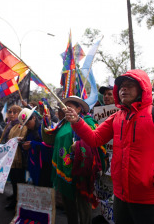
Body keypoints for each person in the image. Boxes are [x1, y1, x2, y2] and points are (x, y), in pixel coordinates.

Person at [65, 69, 154, 224]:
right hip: (121, 198)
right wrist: (77, 121)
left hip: (151, 200)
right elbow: (95, 139)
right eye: (122, 86)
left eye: (130, 85)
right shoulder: (116, 117)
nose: (124, 88)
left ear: (142, 88)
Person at [51, 96, 106, 224]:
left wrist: (80, 145)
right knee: (68, 203)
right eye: (64, 107)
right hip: (65, 169)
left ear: (78, 108)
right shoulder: (63, 123)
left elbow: (97, 142)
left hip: (81, 171)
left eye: (69, 106)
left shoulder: (88, 122)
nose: (65, 109)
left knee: (82, 202)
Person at [0, 105, 28, 210]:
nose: (11, 114)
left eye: (15, 112)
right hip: (9, 157)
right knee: (13, 179)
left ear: (20, 114)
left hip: (17, 158)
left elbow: (21, 140)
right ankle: (15, 196)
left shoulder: (22, 125)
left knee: (18, 179)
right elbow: (5, 140)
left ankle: (17, 201)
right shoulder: (9, 125)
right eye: (10, 112)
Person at [18, 107, 53, 187]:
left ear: (34, 117)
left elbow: (49, 146)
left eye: (28, 123)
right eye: (25, 124)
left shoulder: (44, 129)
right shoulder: (29, 132)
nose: (27, 126)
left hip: (44, 167)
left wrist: (32, 144)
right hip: (34, 165)